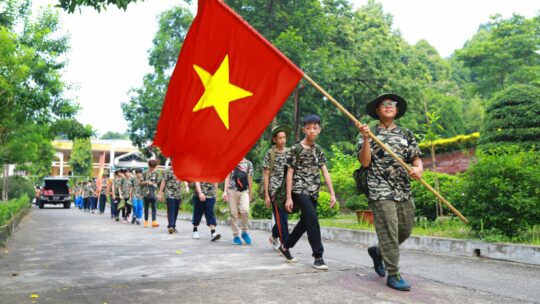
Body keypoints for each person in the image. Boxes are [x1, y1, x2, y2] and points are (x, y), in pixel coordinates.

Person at [357, 93, 423, 291]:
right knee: (389, 230)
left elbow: (417, 160)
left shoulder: (406, 134)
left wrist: (418, 170)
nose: (388, 106)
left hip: (403, 188)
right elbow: (365, 162)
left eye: (391, 104)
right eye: (383, 104)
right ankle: (393, 274)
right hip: (379, 188)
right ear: (377, 110)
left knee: (405, 228)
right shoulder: (368, 131)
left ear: (396, 109)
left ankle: (378, 252)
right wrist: (367, 138)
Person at [278, 114, 336, 270]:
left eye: (315, 128)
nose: (312, 131)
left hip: (313, 190)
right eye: (309, 128)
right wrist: (289, 197)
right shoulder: (295, 149)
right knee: (312, 220)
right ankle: (318, 256)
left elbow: (325, 172)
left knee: (305, 222)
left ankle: (285, 246)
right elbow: (289, 173)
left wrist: (332, 193)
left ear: (319, 130)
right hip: (299, 189)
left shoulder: (318, 150)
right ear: (304, 129)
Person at [263, 124, 292, 251]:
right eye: (280, 138)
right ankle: (285, 246)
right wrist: (267, 195)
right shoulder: (270, 153)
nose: (283, 140)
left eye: (284, 137)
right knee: (283, 218)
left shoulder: (290, 152)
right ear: (275, 139)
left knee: (283, 217)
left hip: (287, 190)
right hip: (275, 190)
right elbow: (266, 175)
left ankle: (274, 235)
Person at [222, 157, 254, 245]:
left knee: (245, 210)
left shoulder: (248, 164)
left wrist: (250, 194)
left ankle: (244, 231)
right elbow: (227, 177)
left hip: (244, 191)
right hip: (231, 191)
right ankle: (236, 235)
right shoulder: (230, 161)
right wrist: (224, 192)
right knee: (234, 213)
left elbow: (249, 179)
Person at [158, 162, 188, 234]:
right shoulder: (167, 171)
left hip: (178, 194)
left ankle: (172, 226)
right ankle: (171, 226)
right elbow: (163, 181)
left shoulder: (181, 170)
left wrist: (187, 186)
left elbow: (184, 179)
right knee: (171, 209)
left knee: (176, 210)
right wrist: (160, 192)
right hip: (169, 193)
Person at [142, 160, 160, 228]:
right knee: (146, 208)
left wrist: (152, 183)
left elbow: (158, 183)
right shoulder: (145, 173)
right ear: (148, 165)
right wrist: (146, 182)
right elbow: (140, 182)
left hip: (154, 193)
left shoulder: (157, 173)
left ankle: (154, 221)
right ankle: (146, 221)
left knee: (154, 207)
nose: (152, 168)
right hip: (146, 193)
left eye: (153, 167)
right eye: (151, 167)